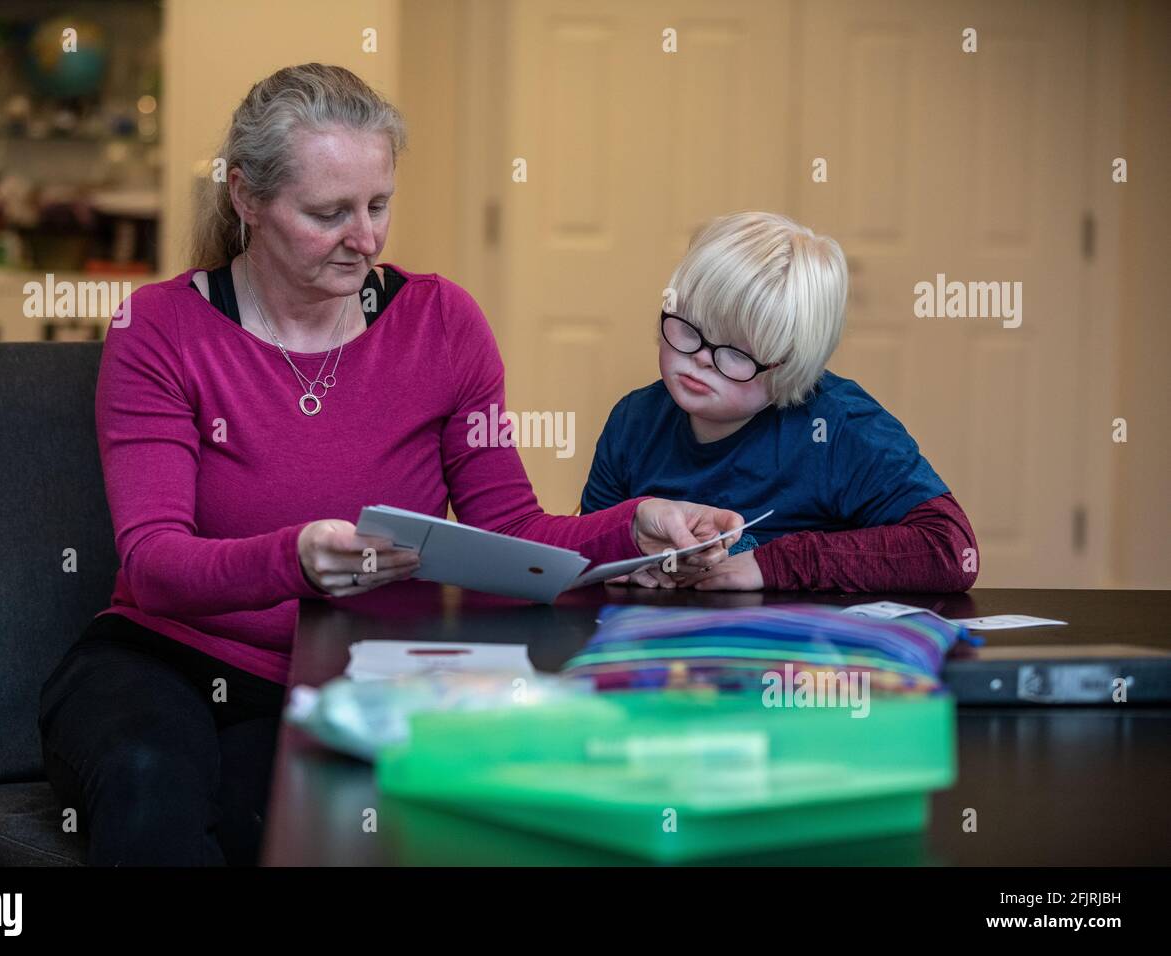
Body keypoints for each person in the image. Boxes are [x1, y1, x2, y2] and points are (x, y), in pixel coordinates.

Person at [38, 63, 744, 866]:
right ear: (245, 196)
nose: (366, 238)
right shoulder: (160, 327)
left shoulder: (441, 322)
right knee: (149, 783)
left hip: (338, 670)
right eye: (328, 212)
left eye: (378, 206)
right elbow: (155, 564)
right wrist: (294, 558)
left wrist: (636, 527)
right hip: (159, 657)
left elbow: (509, 530)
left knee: (283, 819)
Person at [581, 211, 978, 593]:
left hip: (798, 655)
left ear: (791, 364)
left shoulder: (842, 427)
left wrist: (776, 564)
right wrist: (624, 561)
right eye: (689, 328)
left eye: (737, 351)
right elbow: (586, 550)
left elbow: (952, 551)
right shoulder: (633, 421)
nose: (701, 358)